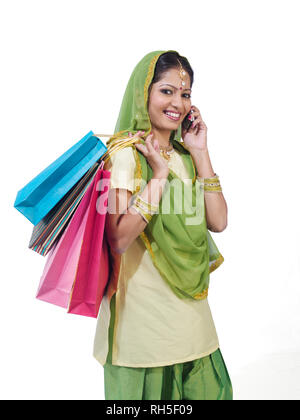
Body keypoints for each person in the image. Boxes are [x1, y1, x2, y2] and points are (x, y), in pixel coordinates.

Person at [93, 50, 233, 400]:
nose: (178, 103)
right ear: (145, 94)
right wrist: (158, 176)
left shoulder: (186, 158)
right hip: (142, 328)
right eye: (166, 91)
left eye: (185, 94)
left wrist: (200, 152)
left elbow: (219, 221)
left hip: (192, 322)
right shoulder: (123, 155)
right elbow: (119, 239)